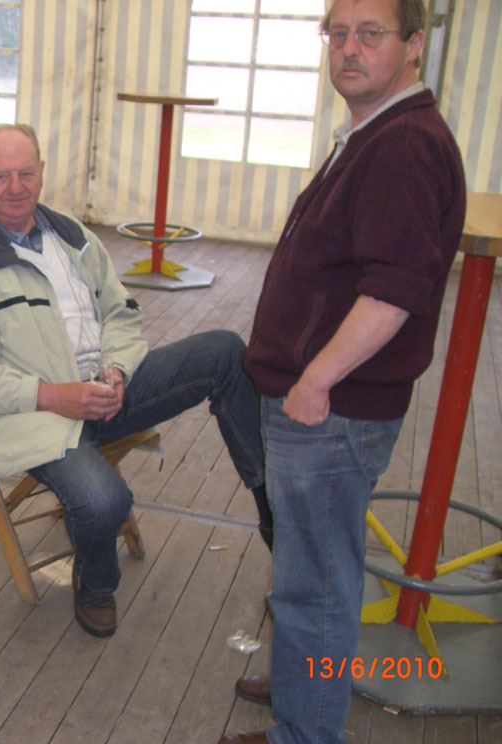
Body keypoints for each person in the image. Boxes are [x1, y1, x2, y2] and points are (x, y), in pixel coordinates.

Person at [0, 123, 267, 638]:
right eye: (1, 176)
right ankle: (97, 583)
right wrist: (56, 396)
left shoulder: (72, 236)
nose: (16, 187)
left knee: (225, 351)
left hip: (104, 393)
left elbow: (120, 314)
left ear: (42, 171)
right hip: (32, 416)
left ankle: (272, 508)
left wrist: (116, 370)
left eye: (26, 173)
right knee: (103, 502)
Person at [220, 0, 466, 742]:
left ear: (414, 44)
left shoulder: (402, 145)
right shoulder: (376, 132)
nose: (349, 49)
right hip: (330, 407)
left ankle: (306, 731)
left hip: (332, 412)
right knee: (310, 580)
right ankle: (303, 698)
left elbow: (395, 291)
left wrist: (316, 379)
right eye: (338, 33)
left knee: (316, 592)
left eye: (371, 34)